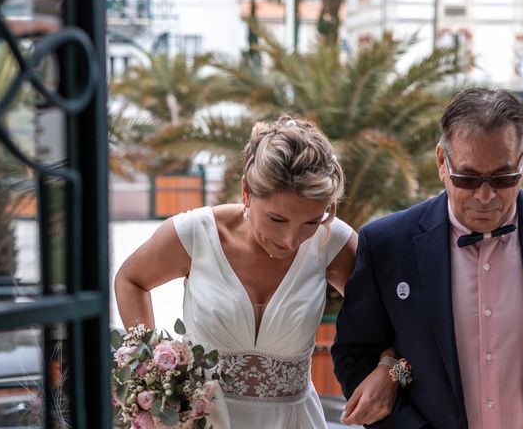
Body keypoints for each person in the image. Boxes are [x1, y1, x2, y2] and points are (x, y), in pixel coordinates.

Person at [115, 115, 397, 429]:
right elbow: (131, 279)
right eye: (277, 219)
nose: (291, 241)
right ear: (247, 191)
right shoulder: (196, 234)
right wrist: (154, 369)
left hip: (295, 421)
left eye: (310, 222)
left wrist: (390, 368)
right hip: (202, 421)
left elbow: (392, 320)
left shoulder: (333, 244)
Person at [331, 88, 523, 428]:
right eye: (468, 178)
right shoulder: (386, 245)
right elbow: (354, 356)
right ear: (441, 162)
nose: (485, 195)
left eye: (503, 177)